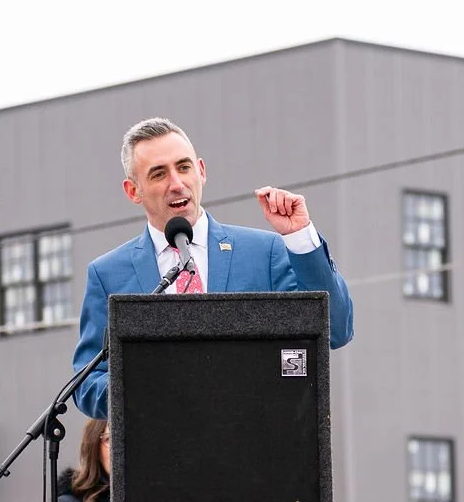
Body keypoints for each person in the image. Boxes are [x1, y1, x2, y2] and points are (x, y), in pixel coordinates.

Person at [71, 117, 355, 420]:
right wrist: (147, 389)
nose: (176, 184)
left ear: (201, 171)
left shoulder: (264, 252)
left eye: (184, 167)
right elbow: (87, 382)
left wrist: (299, 237)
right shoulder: (108, 274)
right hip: (161, 444)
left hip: (257, 439)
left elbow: (336, 330)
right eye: (159, 174)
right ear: (133, 191)